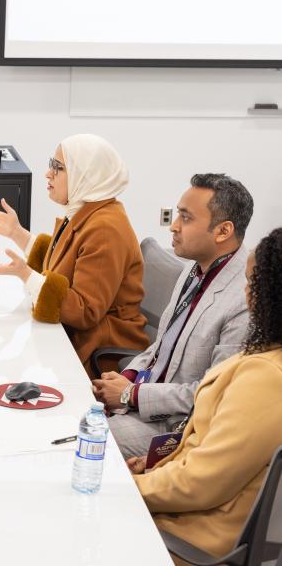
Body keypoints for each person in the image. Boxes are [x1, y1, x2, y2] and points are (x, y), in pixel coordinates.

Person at [129, 228, 282, 561]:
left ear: (271, 293)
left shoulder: (267, 378)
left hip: (188, 538)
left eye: (251, 281)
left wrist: (125, 487)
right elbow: (208, 450)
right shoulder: (265, 355)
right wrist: (156, 466)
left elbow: (201, 484)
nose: (245, 292)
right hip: (179, 513)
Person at [94, 174, 253, 459]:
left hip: (179, 426)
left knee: (83, 439)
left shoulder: (244, 299)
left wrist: (131, 394)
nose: (173, 226)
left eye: (186, 218)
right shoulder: (195, 269)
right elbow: (163, 346)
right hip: (145, 402)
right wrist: (125, 378)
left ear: (223, 231)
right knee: (69, 419)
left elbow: (214, 394)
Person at [0, 133, 149, 374]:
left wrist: (26, 275)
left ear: (86, 175)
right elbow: (69, 260)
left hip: (100, 356)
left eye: (58, 168)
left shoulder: (105, 228)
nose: (48, 174)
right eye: (51, 164)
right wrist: (17, 233)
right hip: (75, 338)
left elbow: (85, 311)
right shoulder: (88, 210)